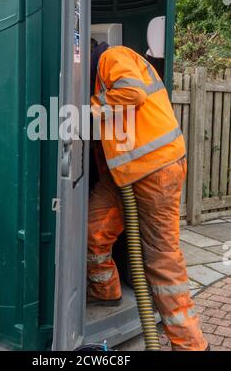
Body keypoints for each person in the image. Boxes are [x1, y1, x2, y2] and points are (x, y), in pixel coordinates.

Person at [87, 42, 209, 352]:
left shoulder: (111, 57)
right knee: (93, 230)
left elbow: (133, 94)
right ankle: (105, 290)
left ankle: (190, 345)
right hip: (125, 173)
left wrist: (88, 106)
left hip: (156, 170)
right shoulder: (105, 68)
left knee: (161, 260)